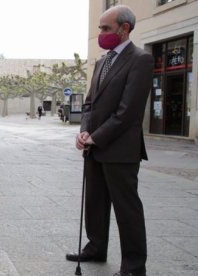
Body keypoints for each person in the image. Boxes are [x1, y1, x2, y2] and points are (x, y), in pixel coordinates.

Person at [65, 5, 153, 276]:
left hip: (121, 151)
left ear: (124, 28)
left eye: (105, 28)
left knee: (127, 209)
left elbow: (128, 112)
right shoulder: (102, 62)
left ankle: (134, 267)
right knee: (95, 202)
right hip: (94, 147)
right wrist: (84, 130)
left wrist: (95, 137)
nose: (101, 33)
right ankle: (96, 247)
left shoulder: (140, 59)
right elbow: (90, 103)